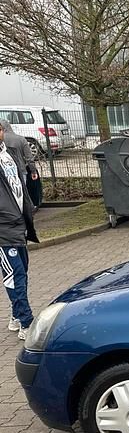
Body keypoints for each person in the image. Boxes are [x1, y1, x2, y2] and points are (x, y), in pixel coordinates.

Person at [0, 124, 39, 340]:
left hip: (19, 223)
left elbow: (18, 184)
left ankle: (16, 315)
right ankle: (26, 321)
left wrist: (28, 208)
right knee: (15, 276)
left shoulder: (8, 154)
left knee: (21, 273)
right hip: (4, 228)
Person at [0, 120, 42, 209]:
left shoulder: (2, 140)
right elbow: (29, 157)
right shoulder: (21, 139)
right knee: (22, 193)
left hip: (3, 172)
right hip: (21, 170)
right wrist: (33, 171)